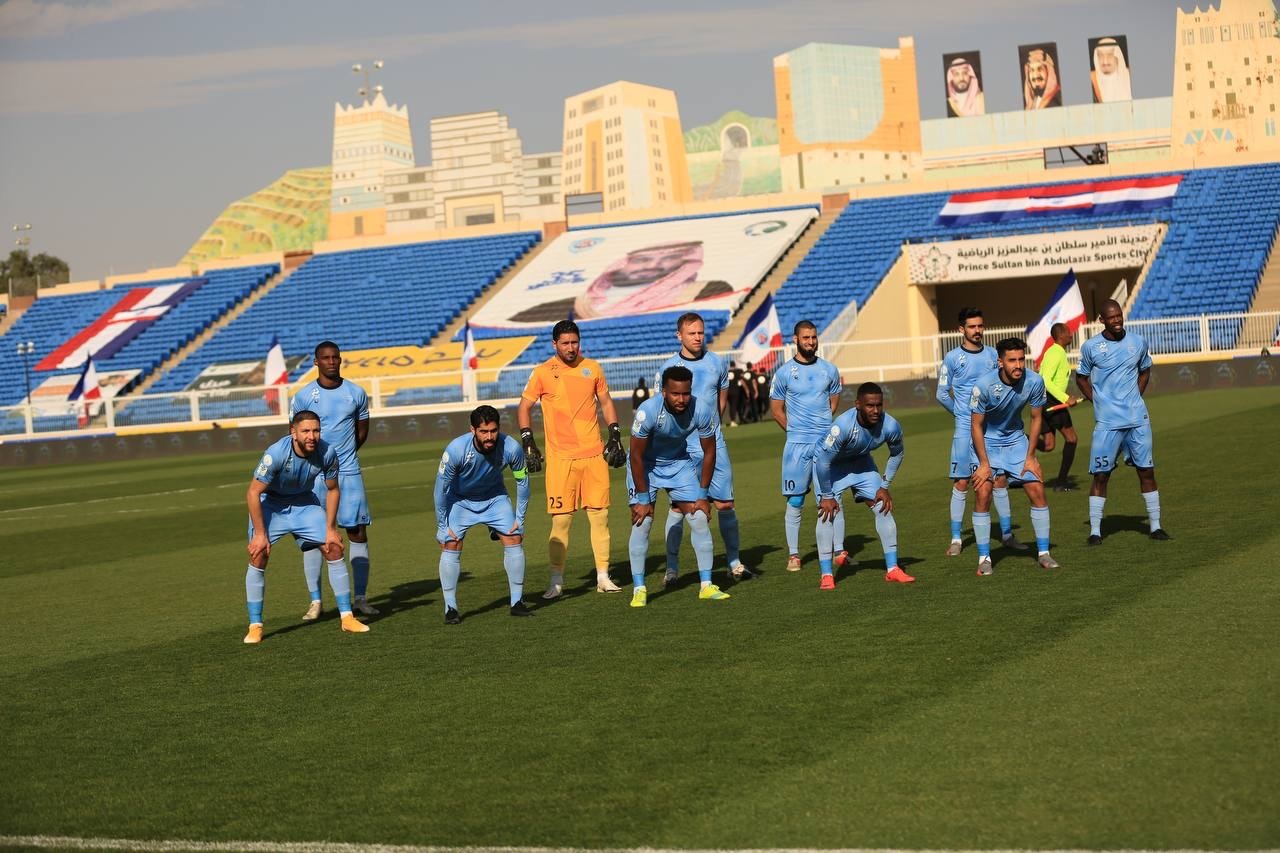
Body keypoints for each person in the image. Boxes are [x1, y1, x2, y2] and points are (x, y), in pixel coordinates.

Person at [517, 319, 628, 598]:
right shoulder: (542, 372)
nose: (570, 348)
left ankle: (603, 576)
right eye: (565, 343)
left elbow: (606, 402)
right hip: (561, 460)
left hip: (593, 455)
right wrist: (528, 440)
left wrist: (615, 434)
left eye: (574, 342)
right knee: (562, 522)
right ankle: (556, 581)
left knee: (600, 517)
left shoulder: (592, 367)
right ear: (554, 344)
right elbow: (524, 406)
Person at [242, 410, 369, 644]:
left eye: (316, 430)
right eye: (306, 431)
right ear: (293, 432)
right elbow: (253, 492)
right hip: (271, 505)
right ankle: (255, 625)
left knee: (334, 548)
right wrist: (260, 534)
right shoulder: (276, 453)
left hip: (304, 504)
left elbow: (332, 489)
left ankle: (347, 617)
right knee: (258, 554)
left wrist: (330, 528)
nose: (312, 436)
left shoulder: (328, 452)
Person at [656, 312, 752, 587]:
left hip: (714, 443)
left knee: (725, 504)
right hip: (681, 450)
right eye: (692, 333)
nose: (698, 337)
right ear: (679, 336)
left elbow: (721, 397)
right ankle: (671, 570)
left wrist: (711, 429)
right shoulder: (668, 368)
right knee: (678, 507)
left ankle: (734, 563)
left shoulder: (716, 363)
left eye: (700, 332)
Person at [626, 365, 728, 607]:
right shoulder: (648, 411)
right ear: (664, 392)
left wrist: (703, 495)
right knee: (643, 521)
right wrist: (642, 499)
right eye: (675, 394)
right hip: (646, 466)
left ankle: (706, 585)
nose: (681, 399)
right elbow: (636, 457)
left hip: (678, 464)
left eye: (685, 393)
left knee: (699, 516)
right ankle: (639, 589)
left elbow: (709, 452)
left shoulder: (701, 409)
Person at [290, 341, 378, 621]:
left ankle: (361, 598)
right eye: (325, 358)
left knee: (357, 533)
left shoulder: (356, 393)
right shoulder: (304, 396)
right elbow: (298, 436)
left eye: (335, 357)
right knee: (314, 536)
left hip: (349, 473)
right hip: (314, 477)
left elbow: (361, 432)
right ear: (316, 362)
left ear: (340, 360)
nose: (331, 361)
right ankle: (316, 602)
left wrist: (343, 459)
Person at [1076, 299, 1170, 544]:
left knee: (1146, 471)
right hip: (1108, 423)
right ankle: (1095, 531)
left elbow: (1145, 369)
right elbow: (1082, 378)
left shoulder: (1138, 342)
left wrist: (1136, 394)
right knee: (1101, 475)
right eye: (1112, 317)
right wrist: (1097, 402)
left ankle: (1155, 527)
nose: (1117, 320)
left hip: (1137, 419)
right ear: (1102, 320)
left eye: (1119, 315)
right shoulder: (1091, 347)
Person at [936, 308, 1026, 557]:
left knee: (999, 479)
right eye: (972, 326)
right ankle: (956, 538)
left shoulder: (992, 355)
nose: (977, 330)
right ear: (961, 329)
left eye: (980, 326)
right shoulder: (952, 358)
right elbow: (941, 393)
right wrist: (960, 414)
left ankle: (1007, 534)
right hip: (966, 429)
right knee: (962, 481)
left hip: (991, 429)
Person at [969, 338, 1061, 575]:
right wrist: (984, 464)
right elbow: (976, 426)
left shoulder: (1034, 381)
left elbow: (1037, 418)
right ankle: (984, 558)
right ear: (1000, 362)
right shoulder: (983, 386)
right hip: (986, 443)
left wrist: (1030, 456)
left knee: (1037, 488)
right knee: (983, 493)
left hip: (1015, 442)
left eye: (1021, 359)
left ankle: (1043, 553)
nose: (1018, 365)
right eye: (1012, 360)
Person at [434, 405, 532, 624]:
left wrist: (520, 519)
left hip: (494, 499)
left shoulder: (511, 448)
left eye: (493, 431)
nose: (489, 437)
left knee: (514, 537)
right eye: (483, 432)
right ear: (473, 430)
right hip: (460, 500)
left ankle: (517, 602)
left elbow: (523, 482)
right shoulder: (456, 450)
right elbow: (440, 490)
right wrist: (442, 525)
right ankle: (451, 607)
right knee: (451, 542)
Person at [813, 382, 916, 589]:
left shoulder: (891, 425)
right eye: (870, 405)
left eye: (879, 405)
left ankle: (893, 569)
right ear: (858, 404)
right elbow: (823, 461)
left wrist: (884, 486)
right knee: (827, 514)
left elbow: (897, 453)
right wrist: (826, 495)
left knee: (883, 507)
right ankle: (826, 574)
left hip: (861, 463)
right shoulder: (842, 426)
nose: (876, 410)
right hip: (830, 466)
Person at [769, 320, 843, 572]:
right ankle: (794, 555)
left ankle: (838, 551)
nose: (810, 342)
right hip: (797, 445)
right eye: (806, 338)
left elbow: (833, 402)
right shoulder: (784, 373)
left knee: (831, 497)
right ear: (796, 340)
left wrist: (821, 431)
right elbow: (776, 411)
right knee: (796, 499)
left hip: (825, 444)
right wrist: (796, 431)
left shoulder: (829, 370)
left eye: (813, 337)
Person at [1035, 322, 1081, 491]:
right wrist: (1065, 398)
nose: (1071, 334)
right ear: (1061, 335)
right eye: (1069, 332)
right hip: (1051, 401)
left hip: (1045, 400)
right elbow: (1045, 380)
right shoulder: (1056, 352)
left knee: (1048, 445)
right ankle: (1061, 482)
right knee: (1072, 439)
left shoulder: (1055, 352)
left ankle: (1021, 438)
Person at [1091, 37, 1131, 103]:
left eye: (1110, 55)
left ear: (1117, 56)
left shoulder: (1129, 75)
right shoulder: (1092, 79)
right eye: (1100, 55)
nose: (1105, 61)